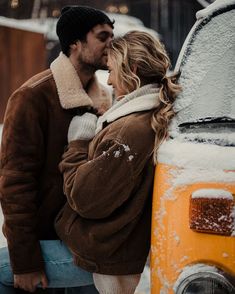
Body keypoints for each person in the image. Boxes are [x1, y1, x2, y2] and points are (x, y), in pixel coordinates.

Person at [55, 30, 181, 294]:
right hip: (114, 247)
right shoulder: (146, 116)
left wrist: (78, 144)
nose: (109, 81)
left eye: (111, 70)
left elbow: (84, 197)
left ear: (132, 69)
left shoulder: (130, 131)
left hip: (102, 256)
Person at [0, 5, 114, 294]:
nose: (111, 45)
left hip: (87, 242)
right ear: (75, 43)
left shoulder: (107, 100)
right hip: (45, 245)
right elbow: (15, 185)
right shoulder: (31, 97)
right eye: (103, 37)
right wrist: (25, 262)